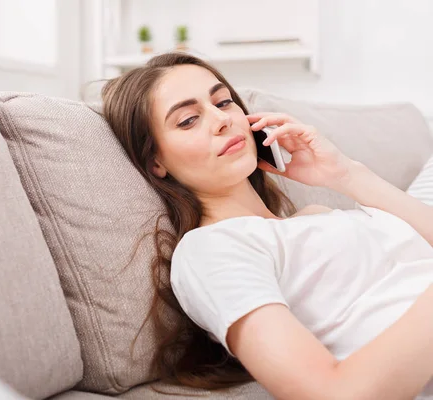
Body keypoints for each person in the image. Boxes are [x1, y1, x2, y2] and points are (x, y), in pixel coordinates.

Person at [101, 52, 433, 399]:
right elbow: (332, 393)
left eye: (224, 102)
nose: (221, 120)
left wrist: (345, 174)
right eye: (188, 120)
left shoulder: (317, 215)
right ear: (156, 160)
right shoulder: (211, 249)